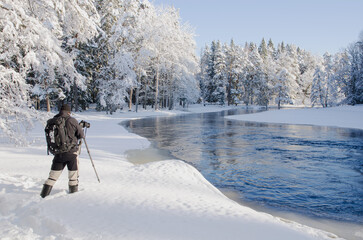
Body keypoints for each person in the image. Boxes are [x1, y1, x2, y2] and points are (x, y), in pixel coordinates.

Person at [40, 104, 85, 198]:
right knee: (73, 176)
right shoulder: (72, 120)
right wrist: (80, 127)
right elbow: (81, 135)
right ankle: (73, 196)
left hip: (58, 153)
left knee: (52, 176)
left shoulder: (54, 121)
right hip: (71, 153)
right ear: (69, 112)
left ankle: (43, 196)